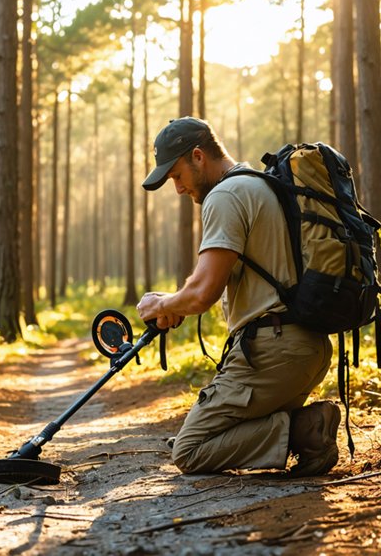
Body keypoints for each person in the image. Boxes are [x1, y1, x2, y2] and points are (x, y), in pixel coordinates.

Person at [136, 116, 340, 477]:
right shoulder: (260, 186)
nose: (178, 189)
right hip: (307, 348)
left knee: (190, 450)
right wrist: (175, 301)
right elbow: (210, 281)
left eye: (177, 176)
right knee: (209, 431)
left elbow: (202, 294)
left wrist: (162, 304)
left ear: (198, 156)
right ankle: (302, 426)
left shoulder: (226, 196)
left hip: (272, 354)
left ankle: (305, 429)